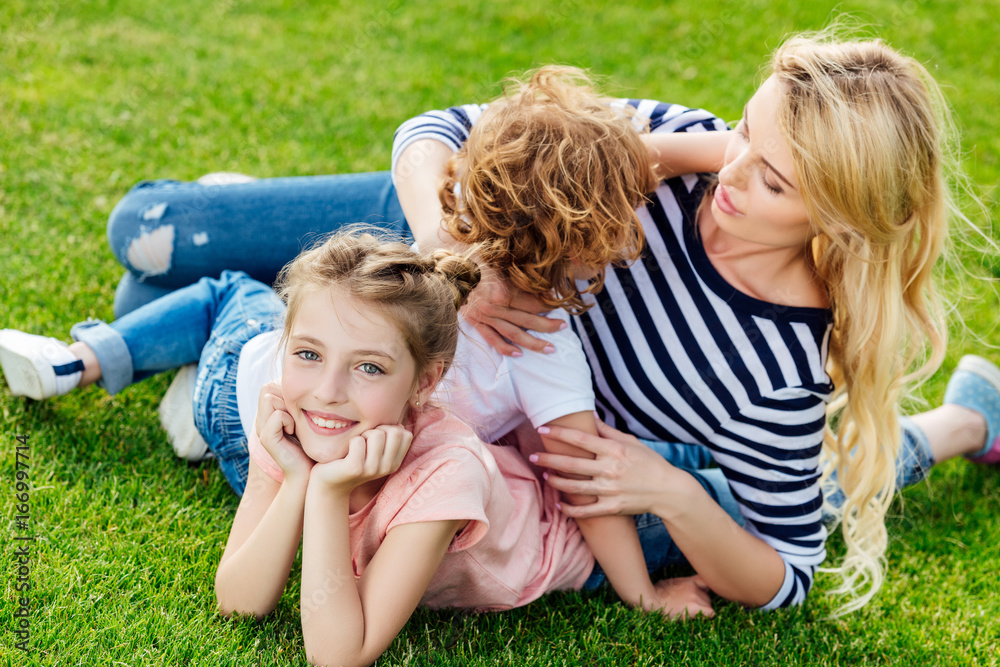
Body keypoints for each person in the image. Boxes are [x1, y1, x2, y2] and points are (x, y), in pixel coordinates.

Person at [95, 30, 992, 615]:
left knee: (781, 482)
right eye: (748, 130)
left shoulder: (775, 367)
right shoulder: (691, 148)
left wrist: (666, 490)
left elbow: (786, 571)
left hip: (532, 412)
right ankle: (298, 284)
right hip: (441, 225)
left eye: (774, 180)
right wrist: (454, 261)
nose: (733, 168)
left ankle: (960, 423)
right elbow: (435, 130)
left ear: (836, 218)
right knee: (144, 237)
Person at [0, 229, 719, 667]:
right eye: (307, 353)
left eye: (369, 367)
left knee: (723, 495)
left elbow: (336, 652)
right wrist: (297, 477)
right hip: (511, 475)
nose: (327, 392)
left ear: (426, 381)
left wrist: (327, 488)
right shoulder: (290, 416)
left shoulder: (444, 471)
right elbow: (239, 602)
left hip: (563, 537)